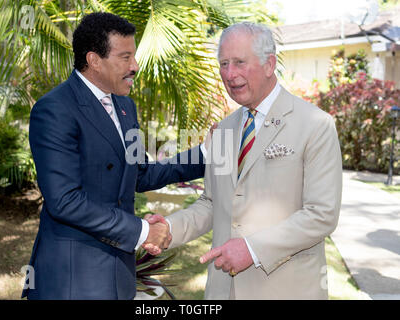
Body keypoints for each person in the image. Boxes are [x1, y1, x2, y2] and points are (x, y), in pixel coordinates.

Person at [22, 12, 208, 300]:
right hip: (73, 277)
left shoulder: (125, 106)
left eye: (134, 56)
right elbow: (64, 201)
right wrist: (143, 231)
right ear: (94, 60)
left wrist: (207, 153)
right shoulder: (55, 109)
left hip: (118, 272)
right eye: (125, 57)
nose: (135, 66)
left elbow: (141, 172)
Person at [151, 22, 343, 299]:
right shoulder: (224, 130)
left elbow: (321, 214)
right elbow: (212, 203)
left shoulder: (315, 125)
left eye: (240, 62)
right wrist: (169, 228)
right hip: (222, 291)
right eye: (224, 63)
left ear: (269, 64)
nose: (229, 74)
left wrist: (251, 249)